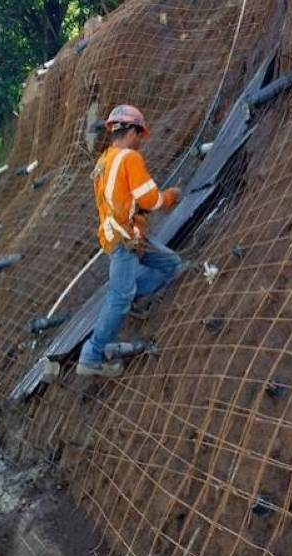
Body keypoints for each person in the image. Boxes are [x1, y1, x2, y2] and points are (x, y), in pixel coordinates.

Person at [77, 105, 183, 377]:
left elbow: (120, 201)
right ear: (132, 131)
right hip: (124, 240)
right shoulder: (129, 158)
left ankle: (135, 295)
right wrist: (171, 195)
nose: (141, 140)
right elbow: (152, 199)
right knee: (119, 296)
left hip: (126, 236)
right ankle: (92, 354)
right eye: (140, 134)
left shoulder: (105, 160)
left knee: (173, 264)